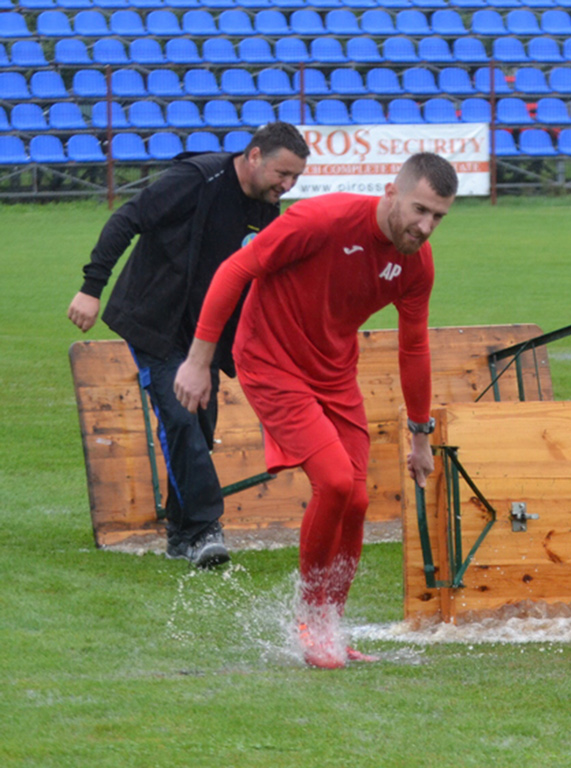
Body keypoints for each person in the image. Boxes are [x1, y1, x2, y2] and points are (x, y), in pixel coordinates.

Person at [173, 153, 458, 669]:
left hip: (333, 374)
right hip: (270, 361)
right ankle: (309, 618)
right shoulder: (321, 221)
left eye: (438, 217)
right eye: (419, 210)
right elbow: (236, 268)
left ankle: (332, 623)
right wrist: (198, 361)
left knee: (357, 500)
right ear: (391, 192)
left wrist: (420, 437)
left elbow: (413, 346)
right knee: (335, 481)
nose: (425, 226)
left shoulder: (418, 263)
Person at [68, 122, 309, 568]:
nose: (287, 184)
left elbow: (259, 280)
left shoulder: (266, 210)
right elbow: (128, 218)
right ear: (254, 156)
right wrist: (91, 286)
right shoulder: (197, 178)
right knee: (179, 416)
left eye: (295, 178)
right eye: (282, 173)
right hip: (154, 321)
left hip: (204, 337)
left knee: (199, 426)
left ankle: (180, 536)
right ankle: (204, 531)